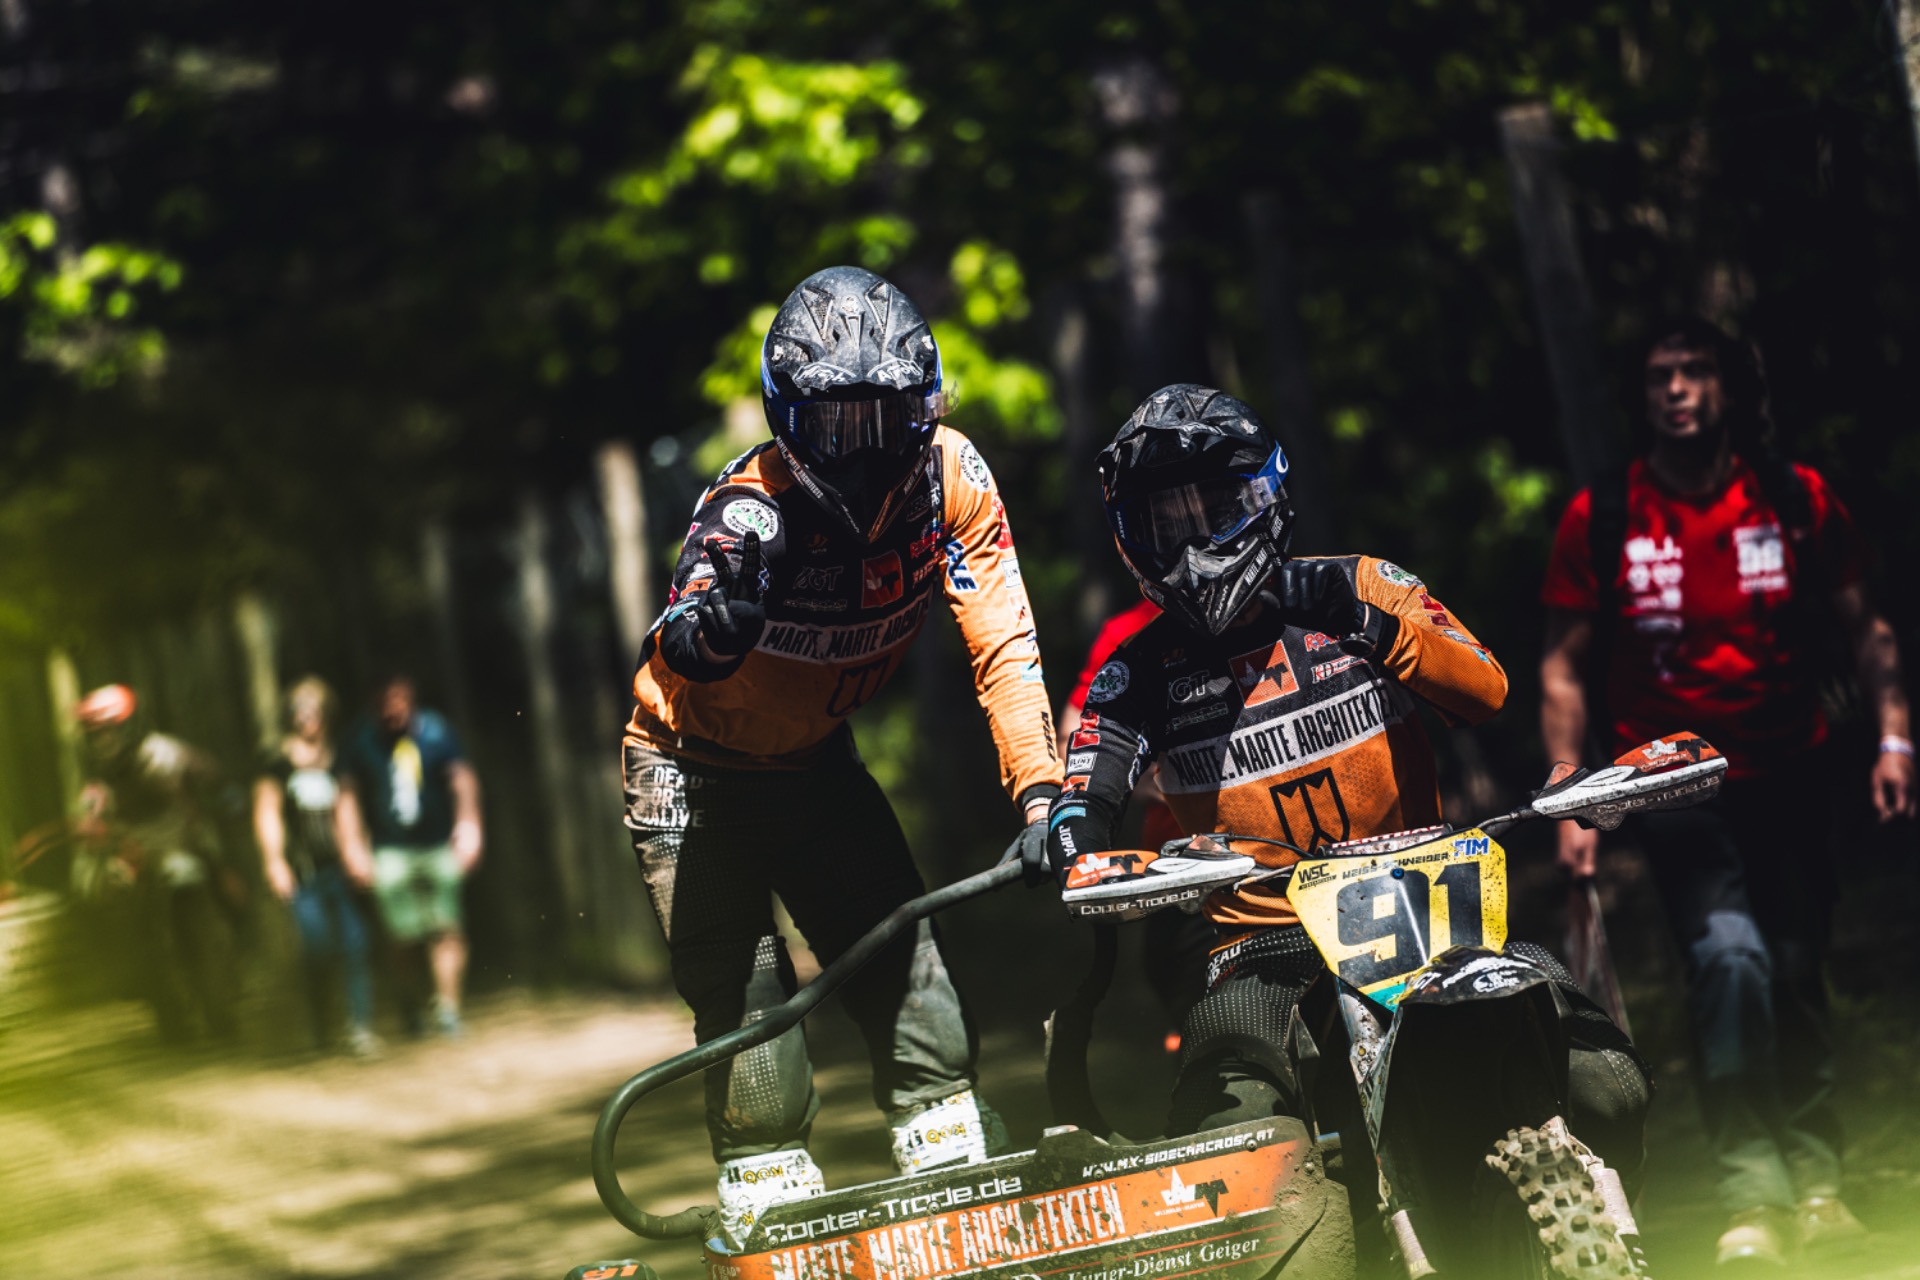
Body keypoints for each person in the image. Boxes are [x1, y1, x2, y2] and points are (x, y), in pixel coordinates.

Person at [1038, 384, 1650, 1172]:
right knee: (1230, 1145)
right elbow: (1084, 793)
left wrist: (1366, 624)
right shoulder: (1138, 671)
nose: (1192, 544)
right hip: (1262, 945)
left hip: (1434, 911)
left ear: (1261, 497)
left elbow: (1486, 690)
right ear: (1134, 538)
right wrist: (1078, 848)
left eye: (1213, 509)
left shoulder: (1361, 584)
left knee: (1606, 1086)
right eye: (1167, 522)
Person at [623, 265, 1061, 1250]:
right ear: (788, 417)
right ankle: (769, 1208)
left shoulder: (953, 480)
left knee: (918, 1001)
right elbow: (685, 621)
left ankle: (959, 1194)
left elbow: (1004, 642)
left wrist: (1043, 795)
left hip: (814, 761)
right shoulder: (753, 505)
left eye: (883, 417)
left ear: (926, 406)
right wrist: (714, 629)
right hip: (690, 769)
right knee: (752, 1025)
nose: (861, 450)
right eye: (834, 423)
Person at [1539, 317, 1914, 1267]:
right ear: (1642, 396)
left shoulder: (1794, 498)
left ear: (1729, 387)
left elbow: (1865, 626)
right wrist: (1569, 790)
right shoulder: (1605, 515)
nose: (1677, 389)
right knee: (1730, 961)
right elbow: (1565, 665)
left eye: (1696, 371)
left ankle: (1820, 1185)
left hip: (1792, 776)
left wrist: (1894, 737)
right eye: (1660, 375)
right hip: (1675, 792)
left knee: (1793, 969)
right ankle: (1753, 1193)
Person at [1056, 597, 1210, 1045]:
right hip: (1186, 870)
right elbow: (1072, 738)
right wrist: (1164, 785)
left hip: (1295, 855)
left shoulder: (1298, 595)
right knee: (1198, 1027)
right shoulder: (1132, 629)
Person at [73, 683, 239, 1043]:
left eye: (109, 730)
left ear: (128, 725)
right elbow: (92, 816)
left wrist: (226, 803)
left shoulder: (162, 752)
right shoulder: (100, 772)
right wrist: (94, 828)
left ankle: (221, 1009)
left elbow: (210, 776)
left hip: (183, 845)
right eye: (95, 734)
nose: (103, 741)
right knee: (106, 900)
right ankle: (167, 1013)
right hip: (133, 855)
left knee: (203, 924)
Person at [338, 674, 484, 1038]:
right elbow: (347, 795)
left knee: (446, 926)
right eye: (385, 705)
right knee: (401, 936)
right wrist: (352, 847)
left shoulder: (436, 732)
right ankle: (410, 1006)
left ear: (411, 699)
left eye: (399, 701)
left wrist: (469, 826)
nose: (394, 712)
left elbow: (462, 779)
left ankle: (448, 1009)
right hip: (389, 850)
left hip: (437, 845)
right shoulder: (361, 739)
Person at [253, 676, 380, 1057]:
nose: (306, 717)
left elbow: (348, 806)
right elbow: (267, 812)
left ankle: (359, 1028)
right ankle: (321, 1026)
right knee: (316, 947)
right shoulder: (276, 761)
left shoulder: (338, 758)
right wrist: (274, 861)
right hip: (301, 872)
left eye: (313, 710)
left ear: (326, 714)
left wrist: (357, 853)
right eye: (298, 710)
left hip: (338, 870)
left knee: (356, 942)